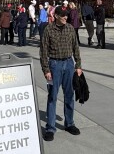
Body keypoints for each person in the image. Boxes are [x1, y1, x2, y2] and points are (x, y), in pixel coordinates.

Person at [39, 8, 83, 141]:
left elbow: (76, 47)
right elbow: (43, 51)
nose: (65, 17)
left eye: (67, 15)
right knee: (52, 96)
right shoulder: (49, 29)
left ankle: (69, 124)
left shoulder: (70, 28)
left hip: (69, 64)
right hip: (54, 65)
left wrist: (78, 65)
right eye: (63, 15)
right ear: (56, 16)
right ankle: (50, 128)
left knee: (69, 95)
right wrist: (46, 70)